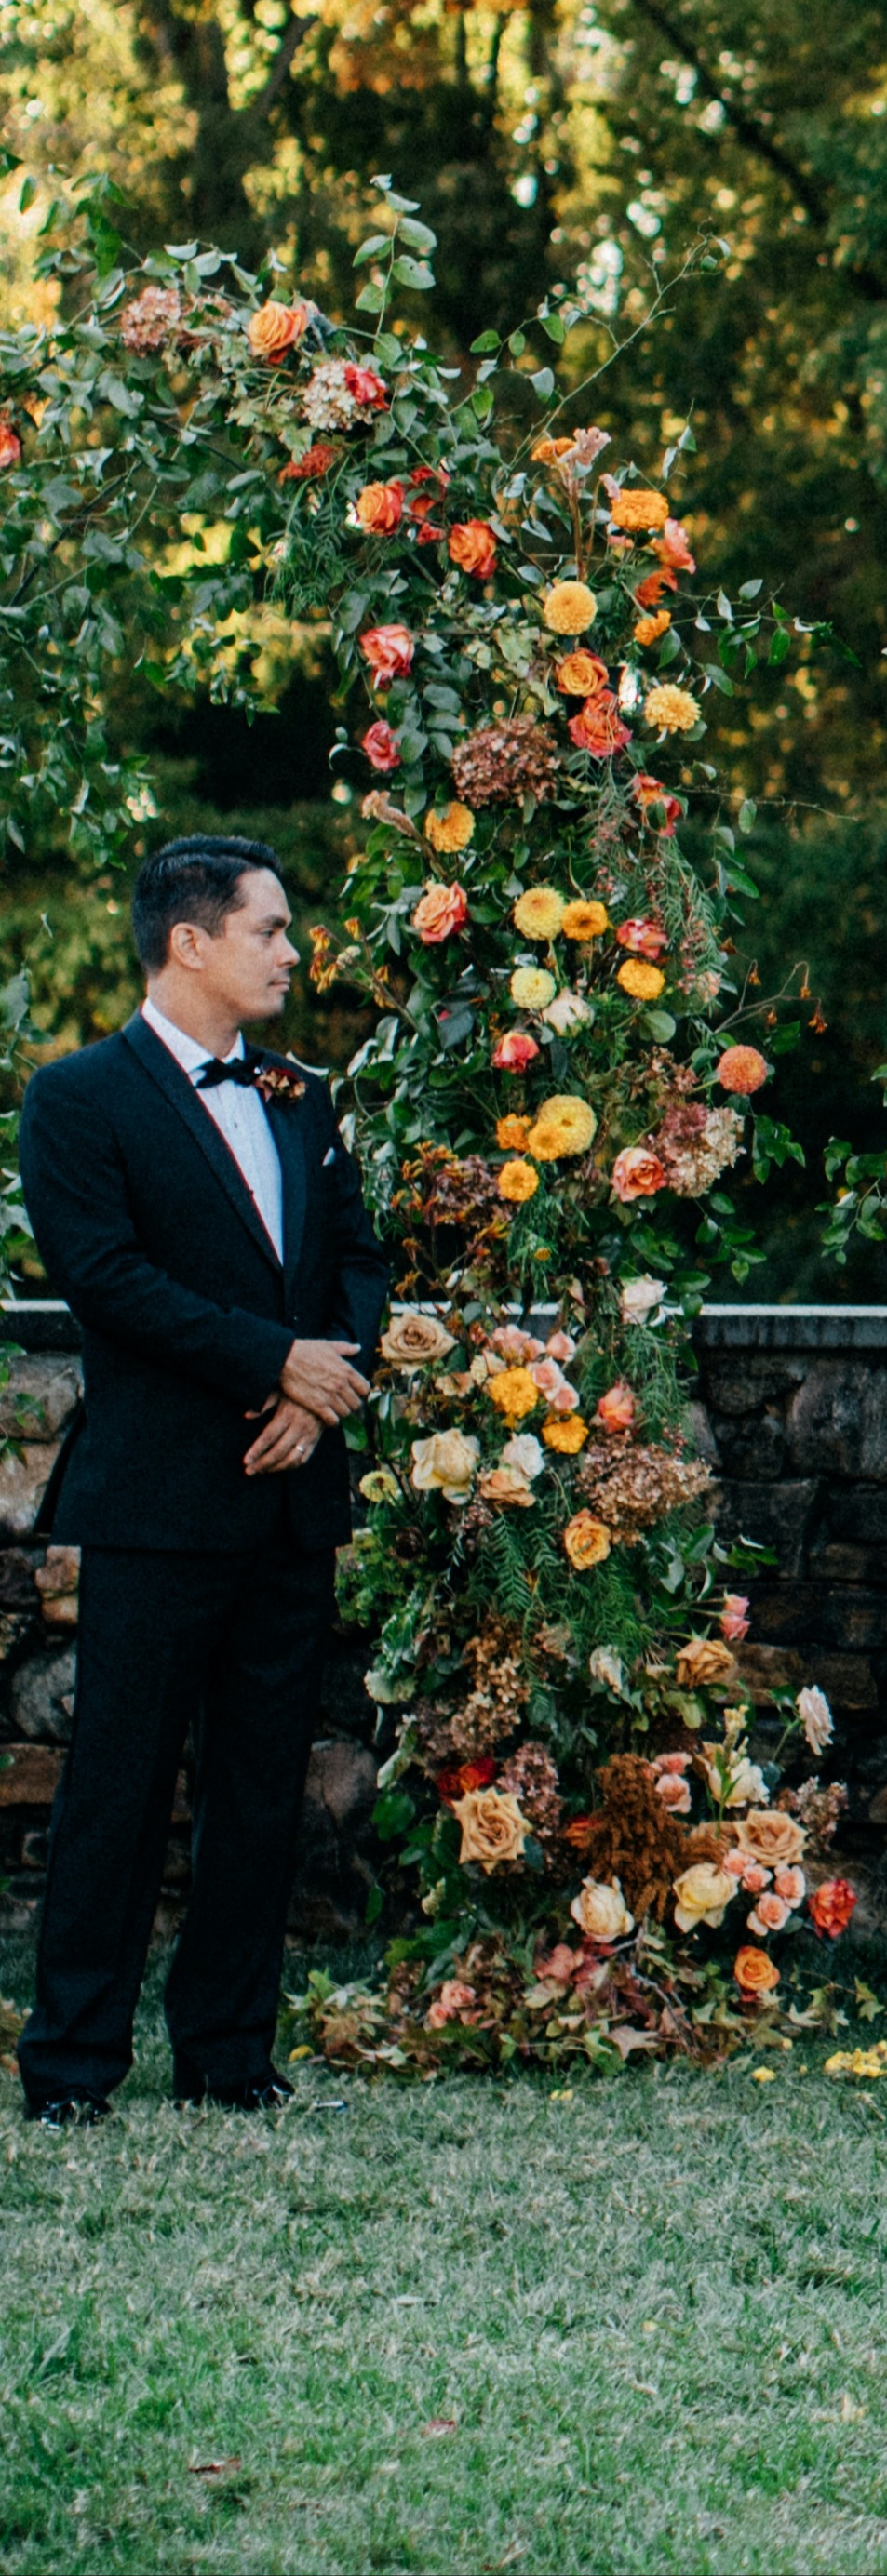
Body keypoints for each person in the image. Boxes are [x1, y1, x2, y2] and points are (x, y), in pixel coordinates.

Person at [17, 838, 383, 2124]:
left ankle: (230, 2053)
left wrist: (322, 1386)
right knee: (116, 1788)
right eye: (270, 929)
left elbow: (357, 1262)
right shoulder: (74, 1099)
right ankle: (72, 2066)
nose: (291, 951)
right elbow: (106, 1279)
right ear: (190, 940)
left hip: (289, 1497)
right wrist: (274, 1365)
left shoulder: (299, 1093)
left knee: (259, 1790)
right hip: (160, 1503)